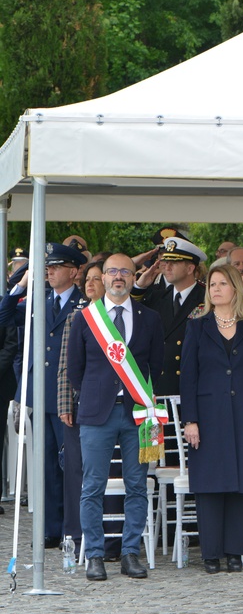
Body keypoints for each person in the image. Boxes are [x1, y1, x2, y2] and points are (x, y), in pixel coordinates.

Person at [66, 253, 164, 581]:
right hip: (97, 415)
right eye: (112, 271)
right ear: (102, 278)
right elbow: (75, 371)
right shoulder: (84, 319)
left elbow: (156, 366)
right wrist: (98, 395)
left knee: (137, 485)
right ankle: (94, 555)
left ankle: (130, 553)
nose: (118, 276)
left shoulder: (150, 318)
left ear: (135, 277)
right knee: (92, 486)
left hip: (138, 415)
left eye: (125, 271)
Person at [181, 265, 243, 574]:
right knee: (209, 485)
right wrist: (190, 420)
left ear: (236, 288)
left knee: (241, 483)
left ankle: (235, 551)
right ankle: (211, 554)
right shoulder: (197, 326)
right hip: (208, 417)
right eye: (212, 284)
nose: (216, 289)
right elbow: (189, 379)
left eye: (222, 283)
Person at [0, 242, 87, 546]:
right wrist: (22, 280)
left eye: (57, 266)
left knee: (70, 463)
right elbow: (4, 314)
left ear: (75, 271)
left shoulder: (83, 303)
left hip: (67, 395)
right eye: (47, 266)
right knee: (47, 464)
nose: (50, 271)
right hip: (40, 391)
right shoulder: (39, 300)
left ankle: (72, 528)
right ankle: (51, 528)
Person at [57, 260, 107, 552]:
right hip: (80, 405)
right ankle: (76, 534)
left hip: (110, 407)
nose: (90, 284)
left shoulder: (118, 318)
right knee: (77, 471)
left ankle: (107, 535)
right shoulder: (76, 316)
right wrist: (65, 403)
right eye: (87, 279)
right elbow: (66, 366)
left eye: (96, 278)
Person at [131, 236, 208, 397]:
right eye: (166, 261)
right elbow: (130, 314)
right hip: (162, 388)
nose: (167, 266)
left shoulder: (207, 297)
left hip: (194, 386)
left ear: (190, 269)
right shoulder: (157, 296)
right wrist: (139, 287)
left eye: (175, 262)